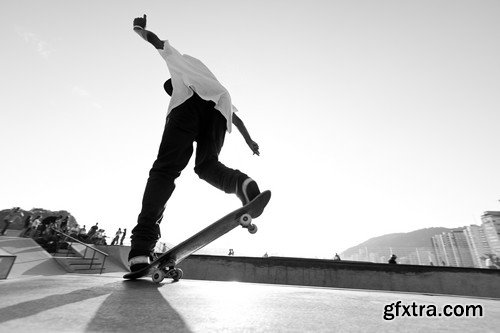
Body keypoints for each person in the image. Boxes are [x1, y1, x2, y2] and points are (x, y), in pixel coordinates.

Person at [128, 15, 263, 272]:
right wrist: (250, 141)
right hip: (217, 112)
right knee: (207, 166)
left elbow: (156, 42)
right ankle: (241, 183)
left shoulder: (177, 69)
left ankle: (141, 248)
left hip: (187, 109)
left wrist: (139, 29)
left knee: (165, 171)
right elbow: (236, 118)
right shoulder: (209, 78)